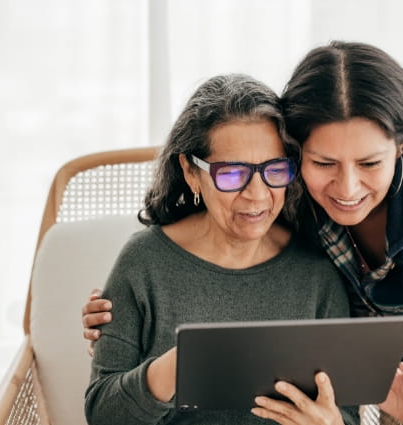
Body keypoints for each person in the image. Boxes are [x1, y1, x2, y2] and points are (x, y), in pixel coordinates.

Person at [83, 41, 403, 424]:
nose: (346, 189)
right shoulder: (282, 197)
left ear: (400, 147)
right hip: (387, 375)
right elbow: (106, 405)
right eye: (324, 163)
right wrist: (148, 348)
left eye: (369, 163)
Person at [85, 73, 366, 425]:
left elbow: (348, 413)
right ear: (190, 171)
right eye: (232, 174)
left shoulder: (316, 269)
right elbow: (102, 413)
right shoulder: (144, 261)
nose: (257, 194)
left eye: (274, 170)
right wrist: (177, 366)